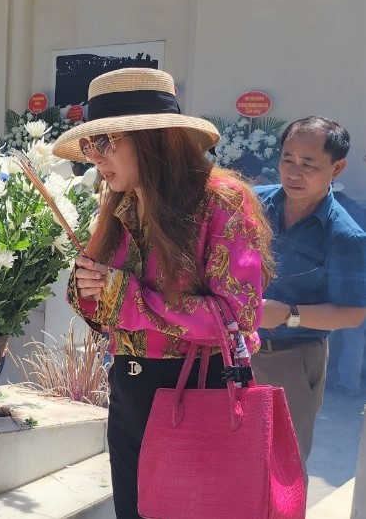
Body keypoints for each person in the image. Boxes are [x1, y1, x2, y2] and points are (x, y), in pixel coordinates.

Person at [55, 68, 274, 519]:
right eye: (91, 146)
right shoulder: (122, 198)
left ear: (151, 139)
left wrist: (129, 301)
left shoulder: (221, 200)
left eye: (105, 142)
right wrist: (92, 291)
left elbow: (237, 315)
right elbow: (109, 308)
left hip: (197, 387)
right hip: (129, 388)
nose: (95, 158)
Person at [251, 117, 366, 477]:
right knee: (228, 458)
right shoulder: (254, 205)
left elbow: (352, 314)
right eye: (288, 159)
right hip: (232, 351)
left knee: (280, 467)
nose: (294, 172)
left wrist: (289, 314)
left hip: (291, 359)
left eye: (309, 163)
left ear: (337, 167)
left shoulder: (346, 235)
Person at [327, 183, 366, 396]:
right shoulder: (358, 209)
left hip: (348, 280)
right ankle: (349, 381)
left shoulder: (336, 212)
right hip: (361, 279)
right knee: (355, 334)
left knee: (340, 330)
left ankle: (344, 381)